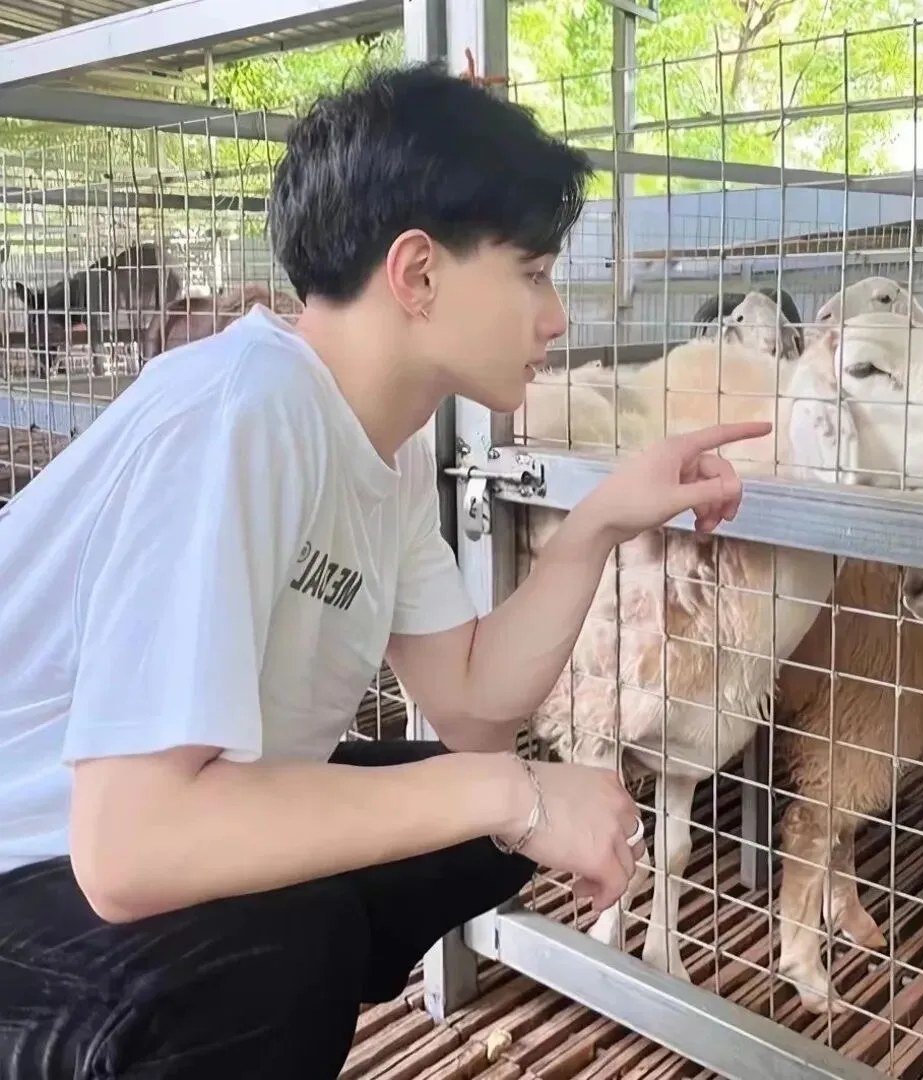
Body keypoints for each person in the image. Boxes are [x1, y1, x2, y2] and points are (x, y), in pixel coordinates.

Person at [0, 61, 771, 1080]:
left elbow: (472, 704)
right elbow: (132, 847)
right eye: (534, 273)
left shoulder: (379, 442)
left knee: (465, 835)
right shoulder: (245, 409)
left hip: (98, 848)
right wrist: (511, 792)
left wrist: (599, 523)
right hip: (35, 856)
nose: (557, 318)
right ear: (417, 276)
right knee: (281, 949)